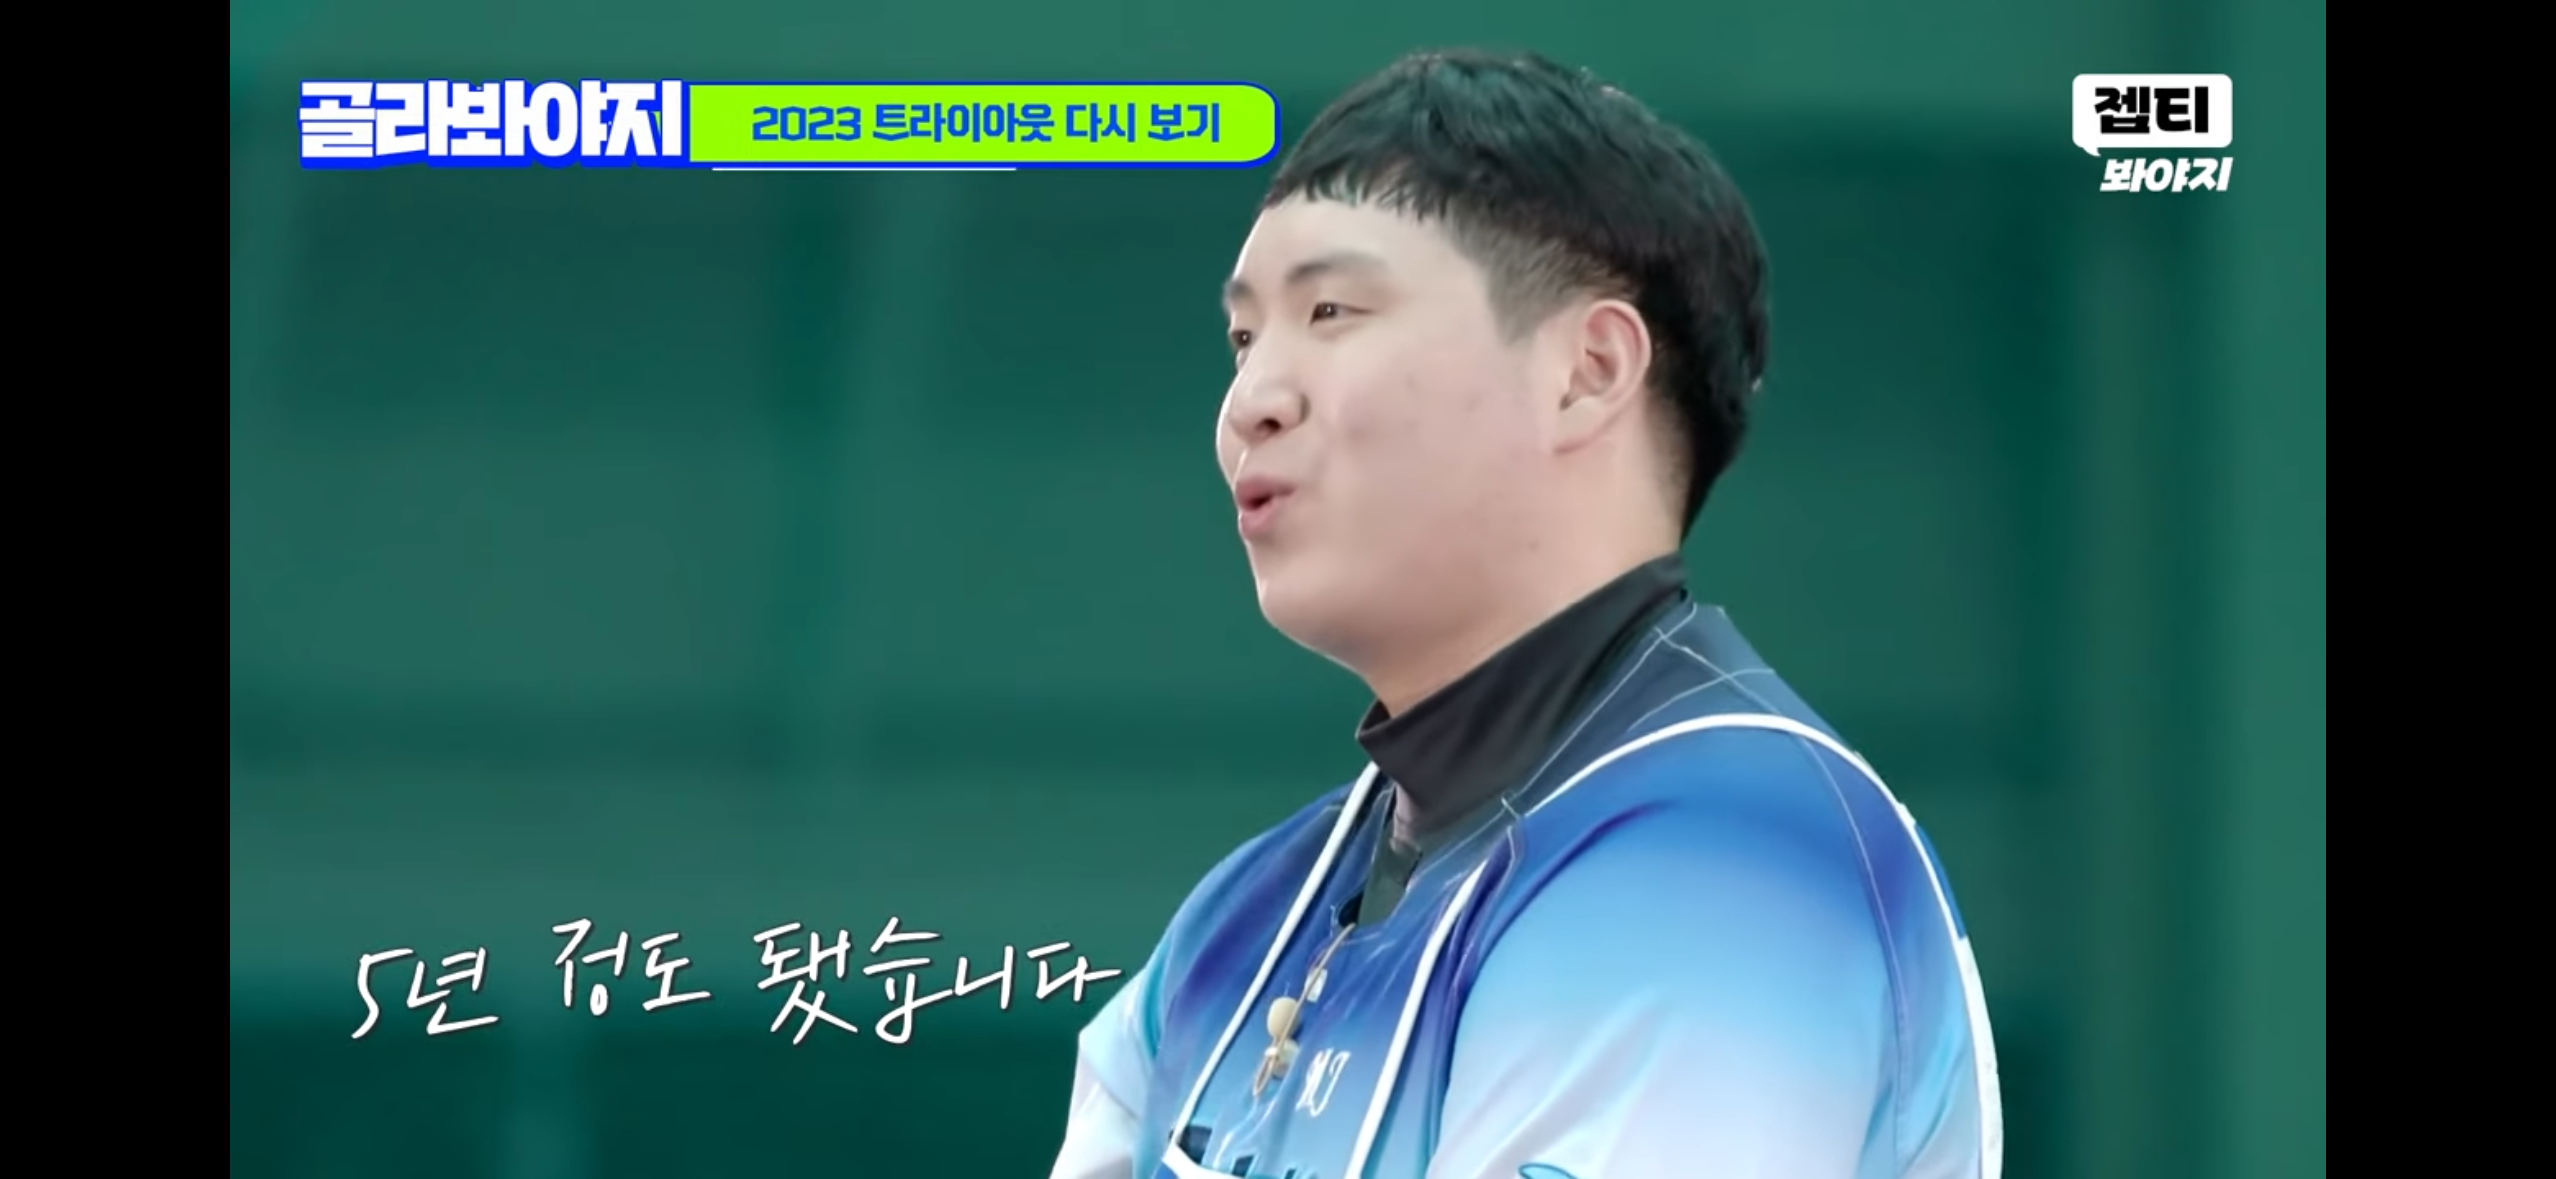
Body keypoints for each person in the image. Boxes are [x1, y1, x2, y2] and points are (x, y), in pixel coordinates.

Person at [1047, 48, 2002, 1179]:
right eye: (1245, 340)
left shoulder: (1727, 860)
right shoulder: (1240, 921)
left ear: (1588, 370)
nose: (1249, 401)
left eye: (1332, 310)